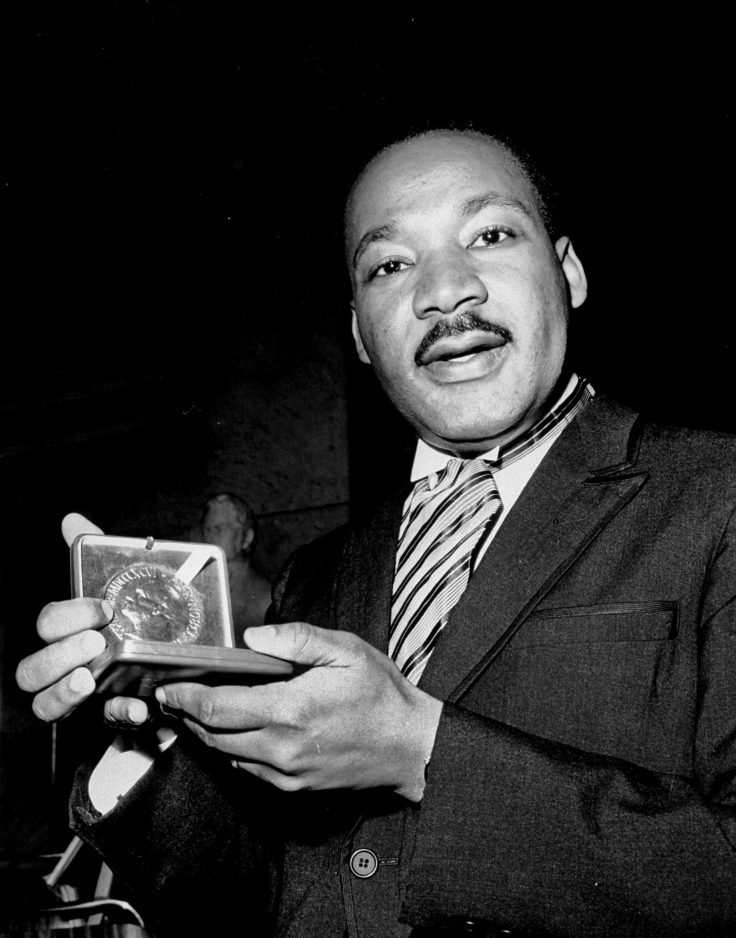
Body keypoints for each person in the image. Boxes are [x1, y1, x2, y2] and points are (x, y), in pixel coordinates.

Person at [15, 128, 736, 937]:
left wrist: (422, 753)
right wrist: (151, 741)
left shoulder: (718, 495)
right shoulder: (319, 574)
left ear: (568, 272)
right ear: (360, 332)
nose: (446, 291)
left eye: (490, 235)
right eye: (390, 265)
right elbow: (279, 901)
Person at [201, 492, 272, 645]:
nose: (209, 538)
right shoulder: (198, 590)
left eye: (219, 529)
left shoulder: (267, 600)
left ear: (246, 538)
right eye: (206, 530)